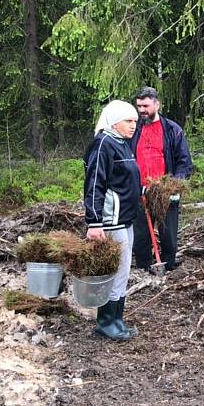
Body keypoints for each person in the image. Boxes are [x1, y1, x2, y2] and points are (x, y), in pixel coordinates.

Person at [83, 100, 141, 341]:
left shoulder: (122, 144)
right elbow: (95, 184)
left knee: (123, 271)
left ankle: (117, 319)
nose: (133, 126)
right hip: (111, 220)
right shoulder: (103, 145)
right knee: (115, 271)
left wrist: (142, 192)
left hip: (126, 218)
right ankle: (106, 321)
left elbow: (124, 179)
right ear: (114, 121)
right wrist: (94, 222)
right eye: (128, 121)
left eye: (135, 121)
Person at [130, 87, 194, 273]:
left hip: (165, 191)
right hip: (139, 191)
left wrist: (174, 187)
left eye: (146, 106)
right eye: (139, 106)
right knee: (141, 235)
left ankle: (169, 267)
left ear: (156, 104)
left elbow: (184, 162)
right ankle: (143, 269)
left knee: (168, 235)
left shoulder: (172, 130)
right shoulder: (133, 129)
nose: (142, 110)